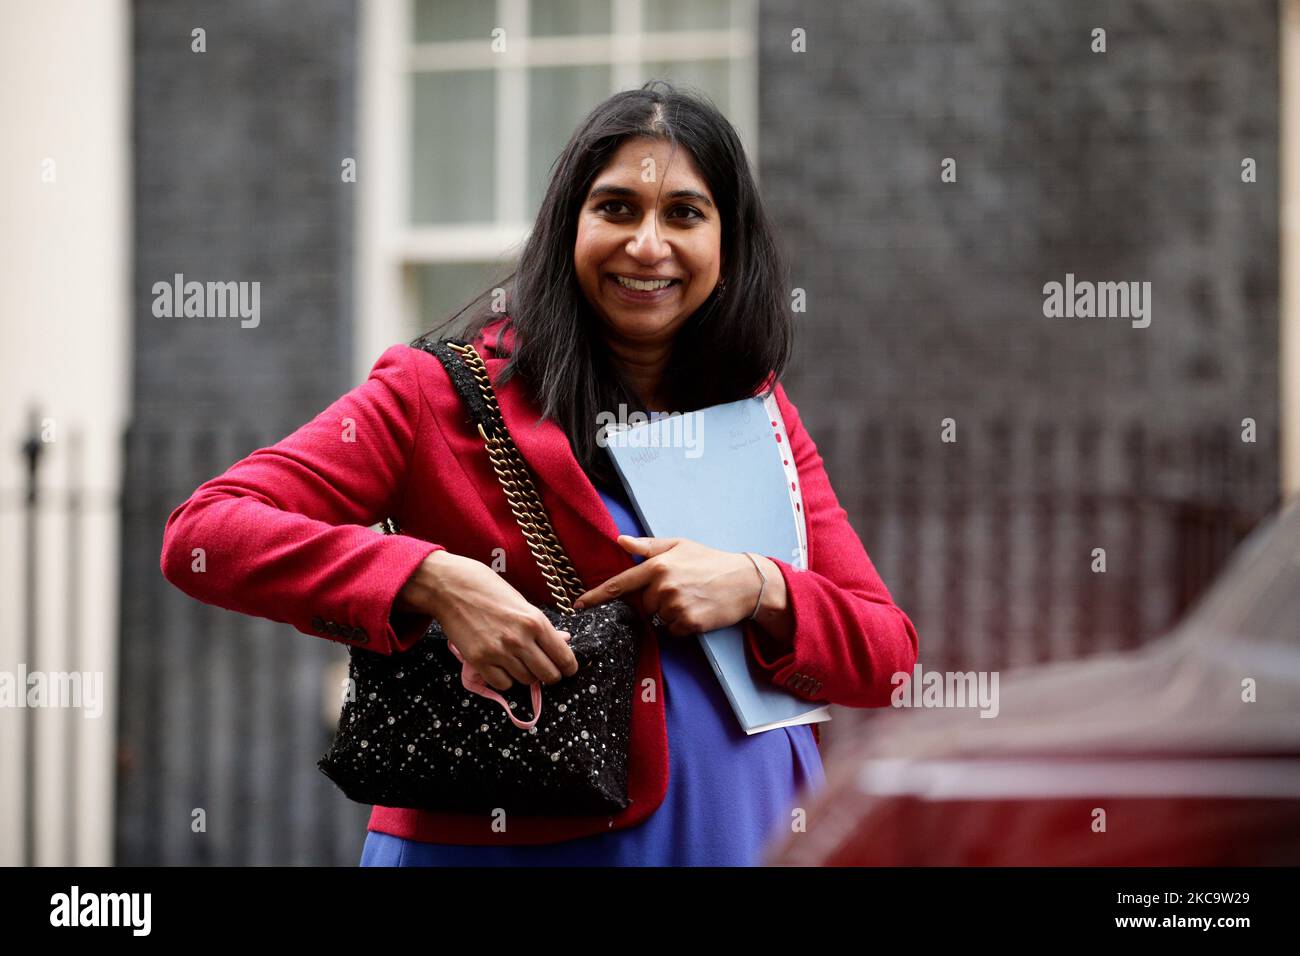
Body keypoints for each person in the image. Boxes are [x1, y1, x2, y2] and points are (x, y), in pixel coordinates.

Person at [160, 80, 919, 866]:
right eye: (617, 208)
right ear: (569, 228)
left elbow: (887, 654)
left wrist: (761, 586)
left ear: (728, 248)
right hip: (508, 841)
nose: (648, 245)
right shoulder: (437, 393)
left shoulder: (757, 411)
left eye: (684, 214)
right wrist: (432, 580)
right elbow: (205, 533)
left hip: (744, 827)